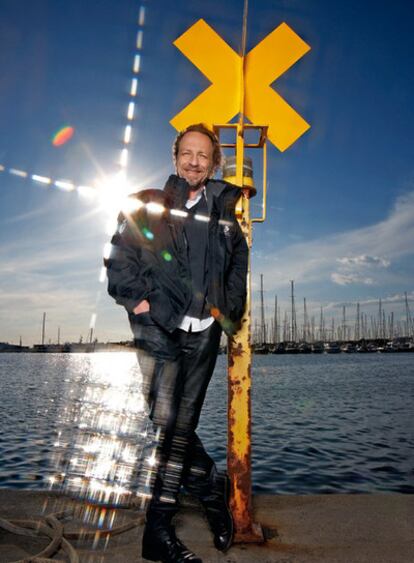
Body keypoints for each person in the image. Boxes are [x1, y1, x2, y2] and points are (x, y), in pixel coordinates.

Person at [105, 123, 248, 563]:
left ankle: (203, 496)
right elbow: (118, 259)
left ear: (214, 162)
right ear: (175, 157)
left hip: (203, 334)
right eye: (187, 153)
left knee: (177, 430)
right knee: (167, 424)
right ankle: (174, 519)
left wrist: (227, 310)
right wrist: (141, 304)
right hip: (159, 331)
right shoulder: (147, 204)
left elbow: (238, 266)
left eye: (203, 155)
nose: (194, 161)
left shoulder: (225, 209)